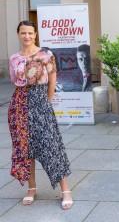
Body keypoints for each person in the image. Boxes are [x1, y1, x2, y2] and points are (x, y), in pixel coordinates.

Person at [8, 20, 73, 210]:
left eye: (30, 33)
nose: (26, 36)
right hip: (19, 104)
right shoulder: (14, 58)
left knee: (51, 145)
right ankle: (31, 188)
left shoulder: (46, 55)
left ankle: (65, 189)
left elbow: (52, 79)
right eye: (23, 33)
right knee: (25, 148)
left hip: (41, 101)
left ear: (35, 34)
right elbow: (14, 81)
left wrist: (48, 102)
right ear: (18, 35)